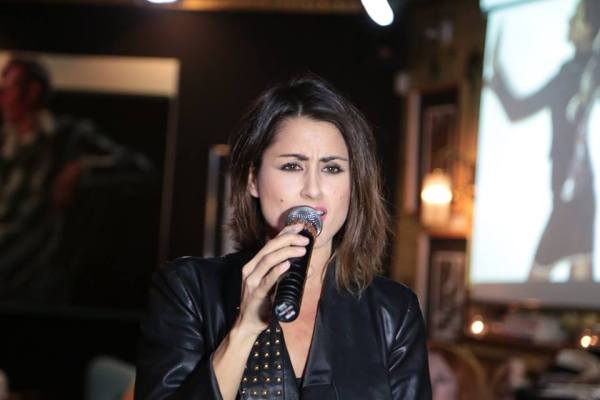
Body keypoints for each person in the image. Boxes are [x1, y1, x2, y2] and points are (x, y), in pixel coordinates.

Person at [135, 75, 431, 399]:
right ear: (252, 179)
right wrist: (244, 330)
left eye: (332, 168)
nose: (313, 189)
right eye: (292, 166)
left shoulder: (393, 311)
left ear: (354, 183)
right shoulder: (189, 291)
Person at [0, 55, 153, 304]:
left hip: (36, 282)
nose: (3, 98)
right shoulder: (5, 142)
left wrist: (82, 167)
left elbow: (137, 166)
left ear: (33, 91)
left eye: (9, 89)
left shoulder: (69, 136)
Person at [487, 0, 600, 282]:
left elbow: (518, 110)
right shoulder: (572, 71)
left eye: (576, 18)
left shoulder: (585, 71)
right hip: (575, 191)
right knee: (579, 280)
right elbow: (518, 110)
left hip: (572, 193)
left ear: (589, 28)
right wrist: (497, 77)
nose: (569, 23)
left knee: (541, 280)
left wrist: (497, 77)